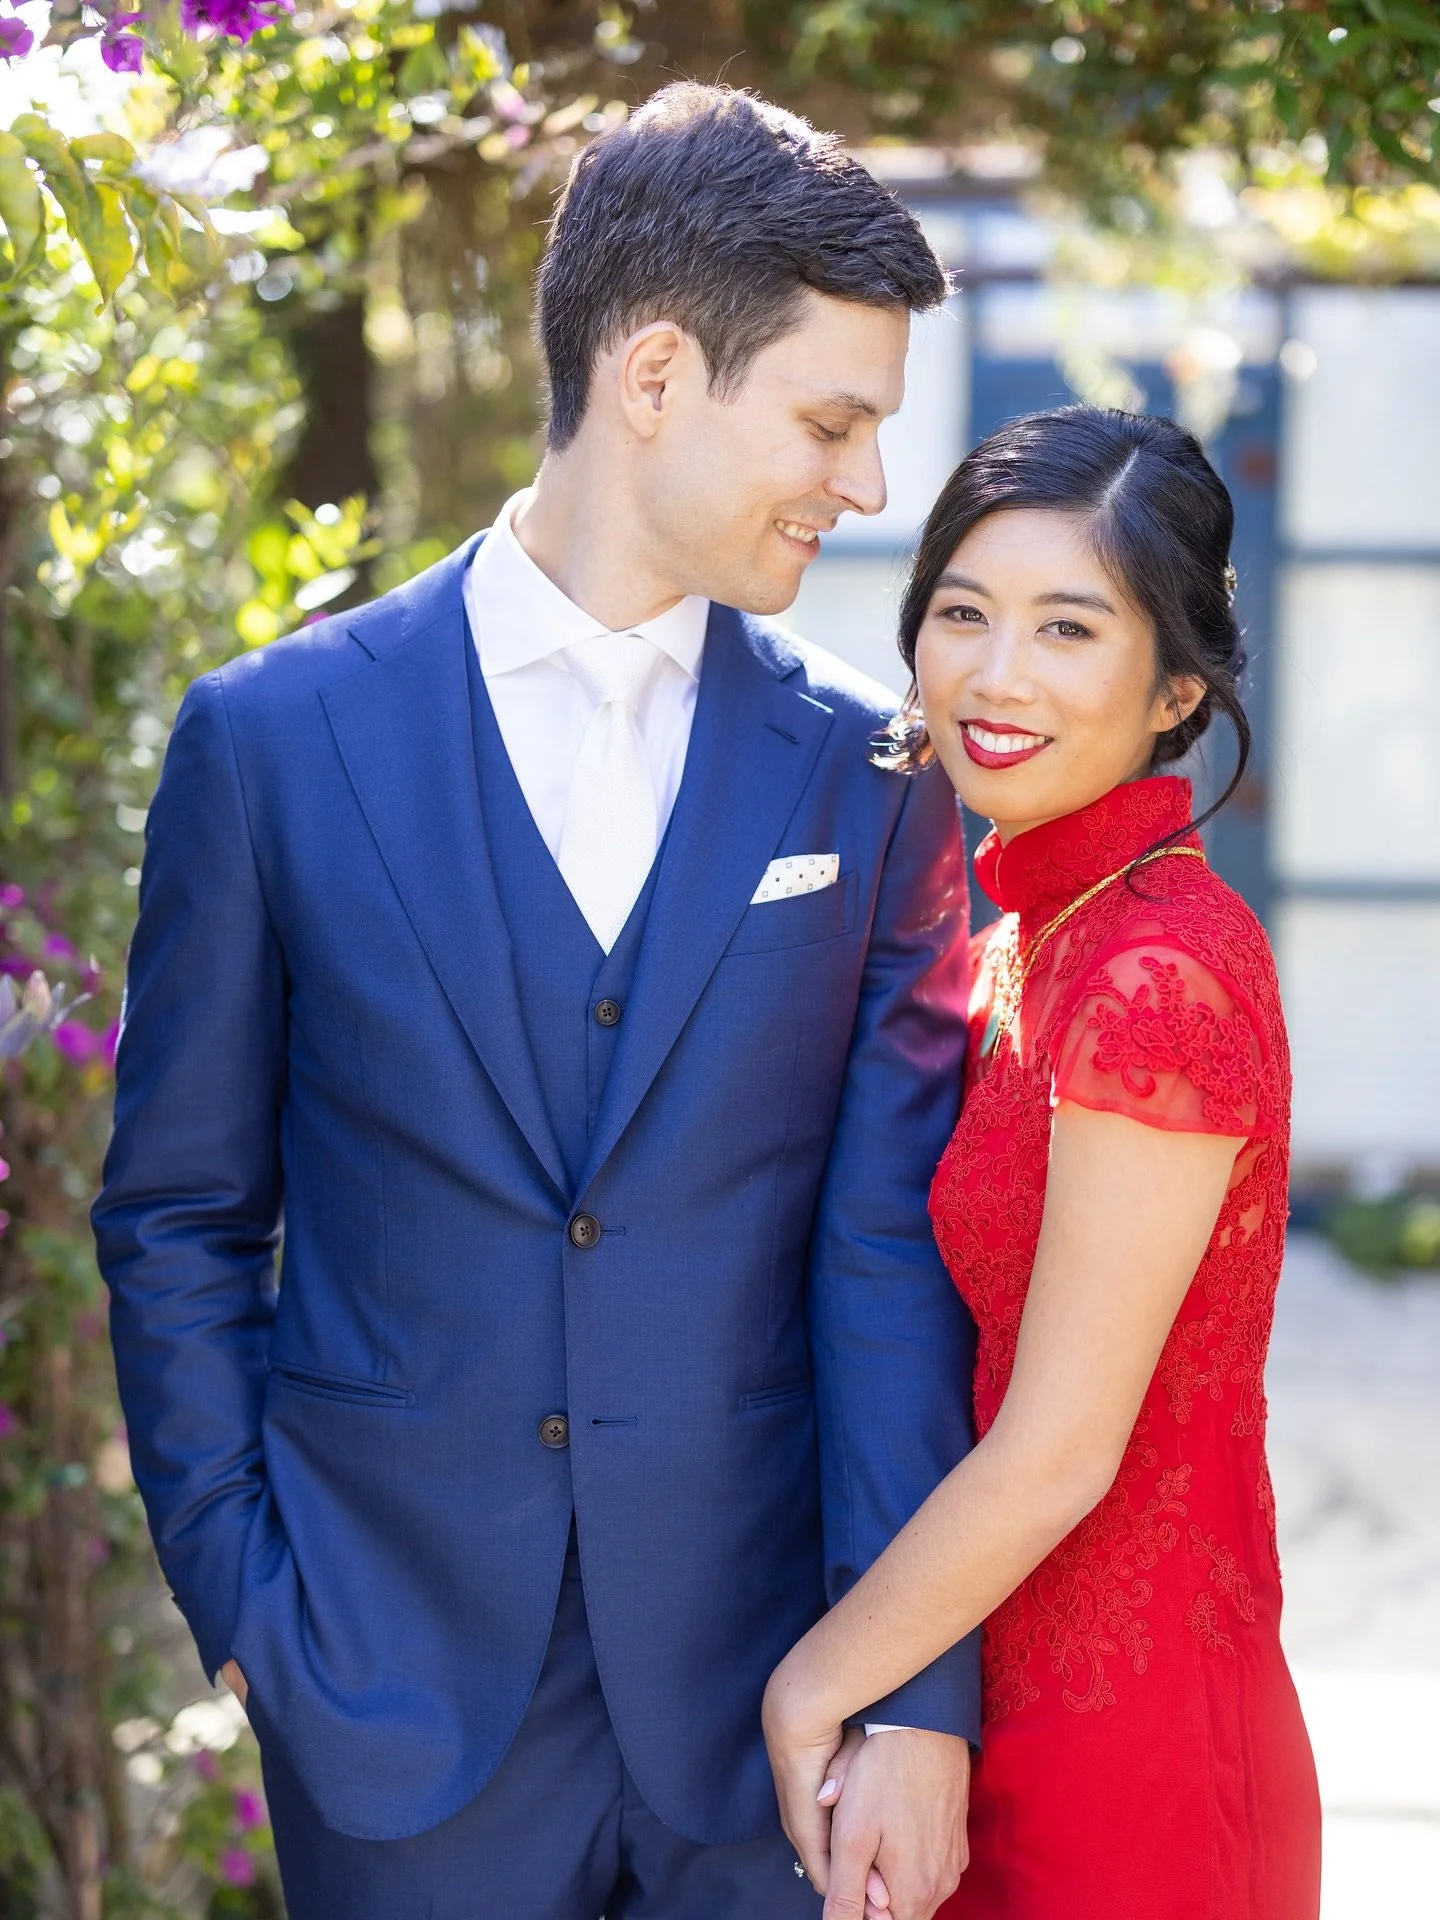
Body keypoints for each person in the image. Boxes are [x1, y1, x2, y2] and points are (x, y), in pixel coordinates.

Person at [93, 84, 981, 1920]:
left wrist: (910, 1690)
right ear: (654, 374)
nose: (867, 486)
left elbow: (883, 1259)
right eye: (831, 421)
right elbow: (181, 1213)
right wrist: (249, 1601)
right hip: (389, 1699)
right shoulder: (272, 743)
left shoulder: (868, 774)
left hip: (764, 1721)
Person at [765, 407, 1322, 1920]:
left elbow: (1062, 1444)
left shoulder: (1160, 971)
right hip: (990, 1702)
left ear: (1175, 691)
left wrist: (812, 1689)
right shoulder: (1029, 940)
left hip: (1130, 1755)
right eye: (963, 612)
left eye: (1068, 628)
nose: (993, 677)